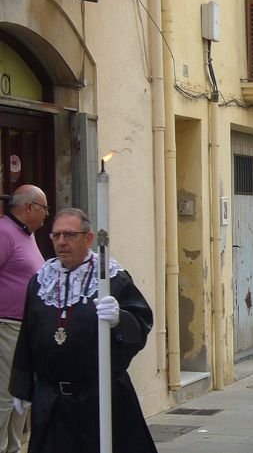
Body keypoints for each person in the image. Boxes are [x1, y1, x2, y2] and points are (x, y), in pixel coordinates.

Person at [9, 208, 157, 453]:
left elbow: (141, 325)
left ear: (88, 239)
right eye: (56, 236)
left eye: (69, 235)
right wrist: (22, 386)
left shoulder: (111, 278)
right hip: (52, 399)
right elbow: (28, 335)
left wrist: (119, 318)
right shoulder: (41, 280)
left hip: (99, 396)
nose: (61, 242)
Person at [0, 185, 48, 453]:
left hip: (26, 329)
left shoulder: (26, 235)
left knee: (22, 396)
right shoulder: (4, 232)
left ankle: (14, 448)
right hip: (7, 327)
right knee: (6, 396)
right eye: (44, 207)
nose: (46, 214)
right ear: (29, 207)